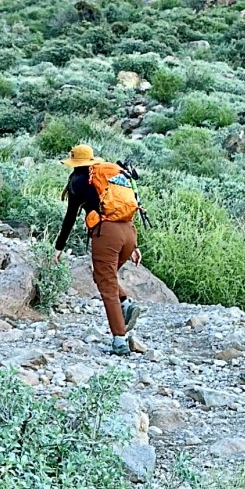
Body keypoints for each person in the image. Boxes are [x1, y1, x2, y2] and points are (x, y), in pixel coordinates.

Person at [53, 144, 142, 356]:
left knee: (106, 286)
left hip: (107, 234)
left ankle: (119, 340)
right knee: (104, 276)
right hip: (129, 232)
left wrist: (59, 247)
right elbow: (122, 208)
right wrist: (134, 247)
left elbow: (70, 218)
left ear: (74, 162)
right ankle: (126, 303)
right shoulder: (107, 178)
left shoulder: (78, 182)